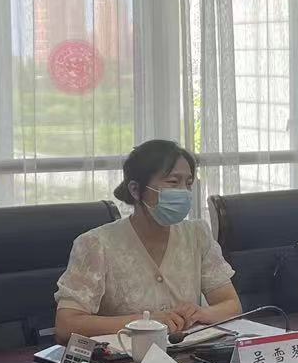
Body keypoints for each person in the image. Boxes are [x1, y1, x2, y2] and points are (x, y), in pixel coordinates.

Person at [55, 140, 241, 343]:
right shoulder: (95, 244)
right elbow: (66, 325)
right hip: (126, 359)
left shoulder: (197, 234)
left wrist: (202, 313)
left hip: (188, 355)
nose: (184, 192)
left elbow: (231, 305)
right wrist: (145, 322)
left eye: (188, 183)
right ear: (136, 190)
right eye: (173, 182)